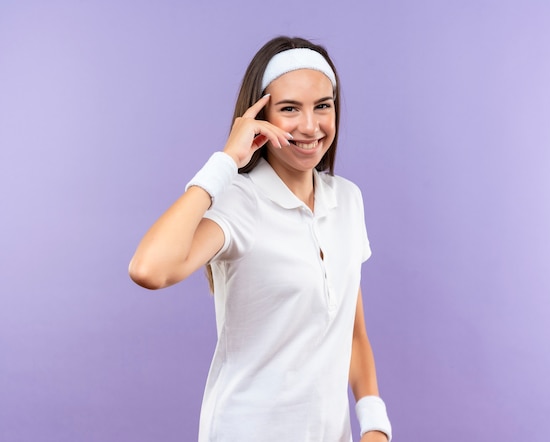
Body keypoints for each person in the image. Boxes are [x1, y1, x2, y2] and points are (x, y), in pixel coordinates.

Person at [129, 36, 392, 442]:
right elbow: (149, 269)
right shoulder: (238, 203)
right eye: (289, 109)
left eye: (322, 105)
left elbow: (352, 334)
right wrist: (226, 162)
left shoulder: (348, 200)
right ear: (259, 115)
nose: (310, 125)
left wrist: (375, 425)